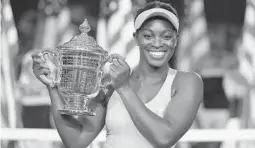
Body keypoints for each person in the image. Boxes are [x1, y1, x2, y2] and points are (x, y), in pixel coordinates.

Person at [31, 1, 203, 148]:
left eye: (166, 36)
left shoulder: (187, 82)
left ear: (176, 39)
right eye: (148, 35)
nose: (157, 43)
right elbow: (76, 140)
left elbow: (164, 137)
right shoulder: (112, 82)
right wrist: (52, 87)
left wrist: (124, 88)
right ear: (136, 38)